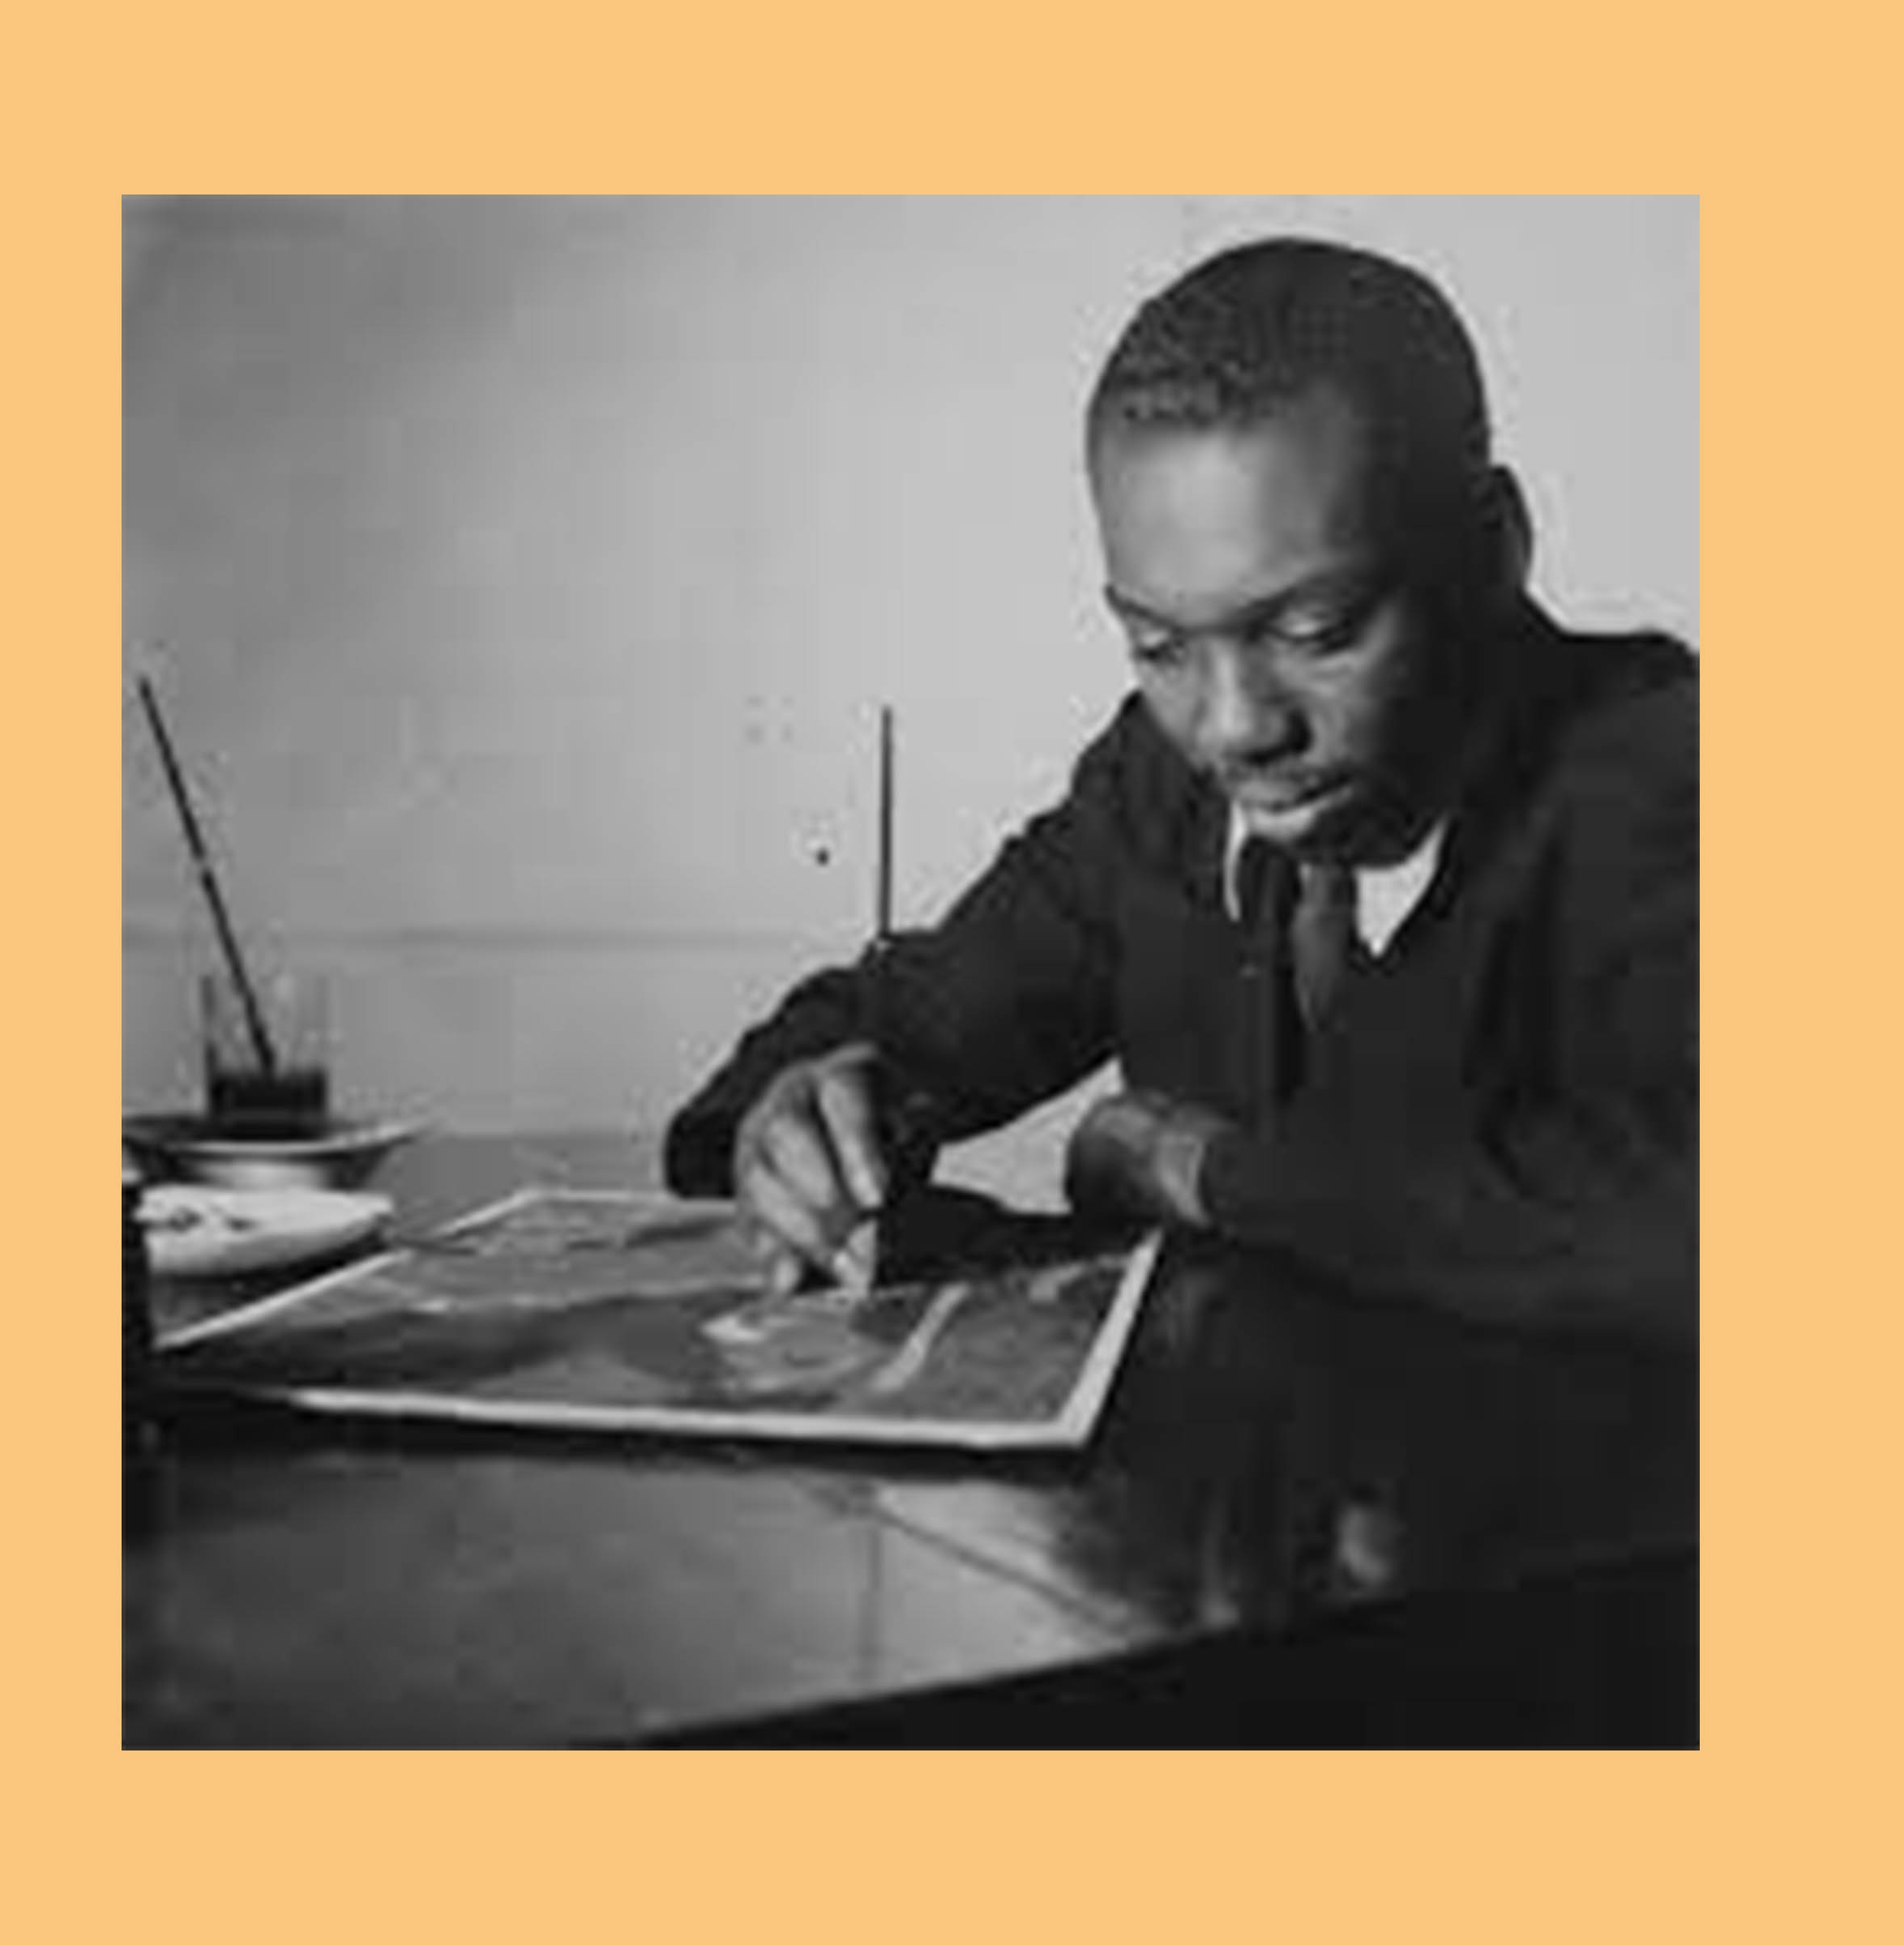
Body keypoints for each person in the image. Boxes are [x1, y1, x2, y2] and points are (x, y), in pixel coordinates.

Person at [662, 238, 1696, 1336]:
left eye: (1318, 631)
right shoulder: (1156, 786)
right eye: (1159, 645)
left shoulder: (1678, 776)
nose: (1234, 726)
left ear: (1494, 550)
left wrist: (1197, 1171)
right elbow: (907, 1013)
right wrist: (809, 1120)